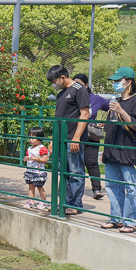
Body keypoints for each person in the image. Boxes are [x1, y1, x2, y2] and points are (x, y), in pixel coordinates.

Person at [100, 67, 136, 234]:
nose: (115, 84)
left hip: (129, 151)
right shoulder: (115, 101)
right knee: (112, 186)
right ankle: (116, 219)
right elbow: (110, 126)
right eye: (114, 81)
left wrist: (121, 111)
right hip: (112, 150)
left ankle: (131, 220)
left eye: (118, 81)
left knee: (131, 187)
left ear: (128, 82)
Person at [48, 65, 90, 215]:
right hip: (60, 140)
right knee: (63, 172)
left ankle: (75, 204)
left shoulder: (79, 89)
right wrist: (53, 140)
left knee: (75, 172)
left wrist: (76, 138)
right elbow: (59, 118)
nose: (54, 84)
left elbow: (84, 114)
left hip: (72, 139)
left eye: (55, 81)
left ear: (63, 78)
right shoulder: (62, 93)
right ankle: (63, 202)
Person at [73, 74, 107, 200]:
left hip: (90, 135)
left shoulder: (95, 99)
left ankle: (96, 189)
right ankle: (76, 191)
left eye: (79, 83)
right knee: (76, 164)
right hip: (75, 134)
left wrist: (105, 121)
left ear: (86, 85)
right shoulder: (73, 96)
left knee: (91, 162)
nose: (76, 86)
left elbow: (110, 108)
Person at [23, 126, 50, 211]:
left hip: (38, 172)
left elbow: (45, 159)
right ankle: (31, 201)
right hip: (30, 171)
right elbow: (28, 157)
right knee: (31, 187)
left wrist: (36, 158)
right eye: (30, 137)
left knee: (39, 187)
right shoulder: (30, 148)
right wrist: (26, 158)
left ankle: (43, 202)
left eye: (33, 138)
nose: (30, 139)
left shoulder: (42, 148)